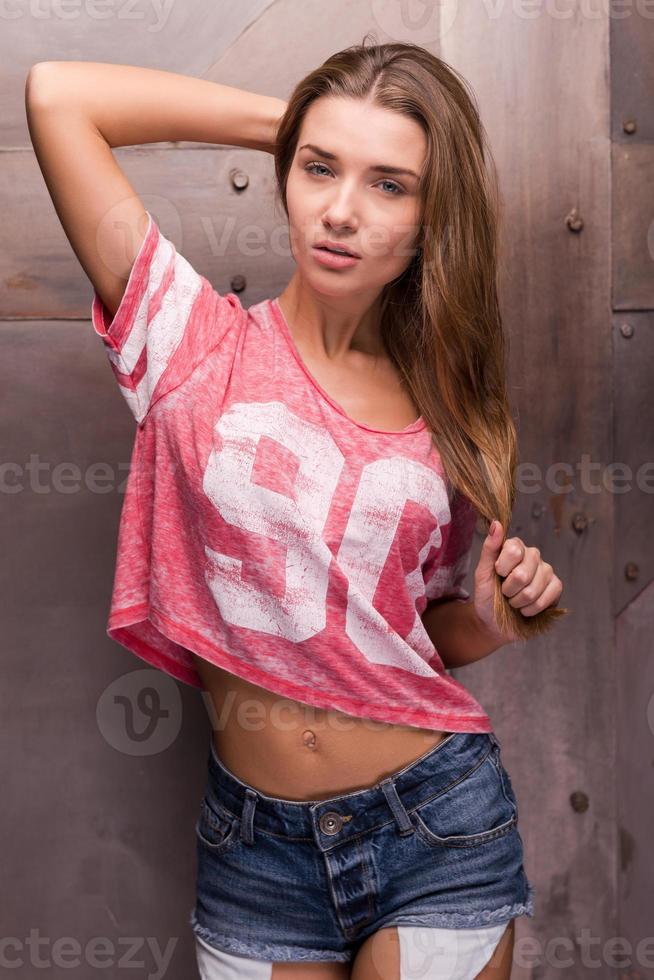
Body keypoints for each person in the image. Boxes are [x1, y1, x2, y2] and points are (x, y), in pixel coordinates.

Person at [26, 38, 564, 980]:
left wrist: (491, 616)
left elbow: (412, 637)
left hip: (434, 824)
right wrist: (291, 124)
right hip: (256, 849)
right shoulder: (189, 344)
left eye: (389, 185)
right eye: (320, 170)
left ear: (433, 220)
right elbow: (58, 96)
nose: (342, 211)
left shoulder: (446, 412)